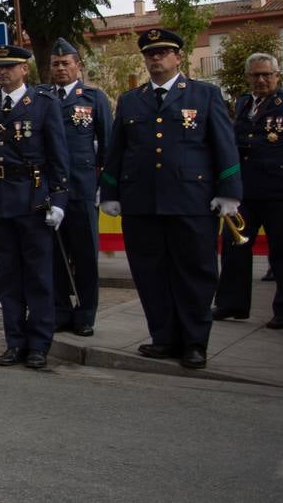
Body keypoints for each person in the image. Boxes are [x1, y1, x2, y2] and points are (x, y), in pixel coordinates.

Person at [100, 28, 242, 370]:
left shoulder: (204, 95)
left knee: (194, 273)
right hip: (142, 203)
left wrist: (229, 192)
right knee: (150, 273)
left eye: (163, 52)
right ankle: (163, 337)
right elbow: (117, 151)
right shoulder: (131, 100)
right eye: (151, 54)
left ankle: (194, 342)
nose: (156, 59)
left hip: (191, 201)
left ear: (178, 57)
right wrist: (110, 191)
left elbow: (224, 146)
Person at [0, 46, 70, 370]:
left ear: (24, 70)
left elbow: (58, 156)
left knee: (38, 277)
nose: (3, 73)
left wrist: (58, 199)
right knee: (9, 278)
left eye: (9, 68)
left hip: (33, 198)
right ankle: (15, 342)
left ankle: (39, 344)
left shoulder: (43, 104)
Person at [215, 52, 283, 330]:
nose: (261, 80)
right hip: (245, 191)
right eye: (255, 75)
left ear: (277, 76)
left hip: (281, 192)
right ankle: (232, 303)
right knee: (235, 246)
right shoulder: (243, 103)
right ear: (248, 77)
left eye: (266, 75)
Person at [42, 39, 112, 336]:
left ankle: (85, 313)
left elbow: (108, 147)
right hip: (49, 191)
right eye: (55, 64)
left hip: (82, 188)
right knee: (54, 255)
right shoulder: (41, 97)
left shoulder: (94, 98)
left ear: (78, 66)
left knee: (84, 255)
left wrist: (105, 186)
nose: (60, 69)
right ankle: (59, 310)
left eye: (65, 63)